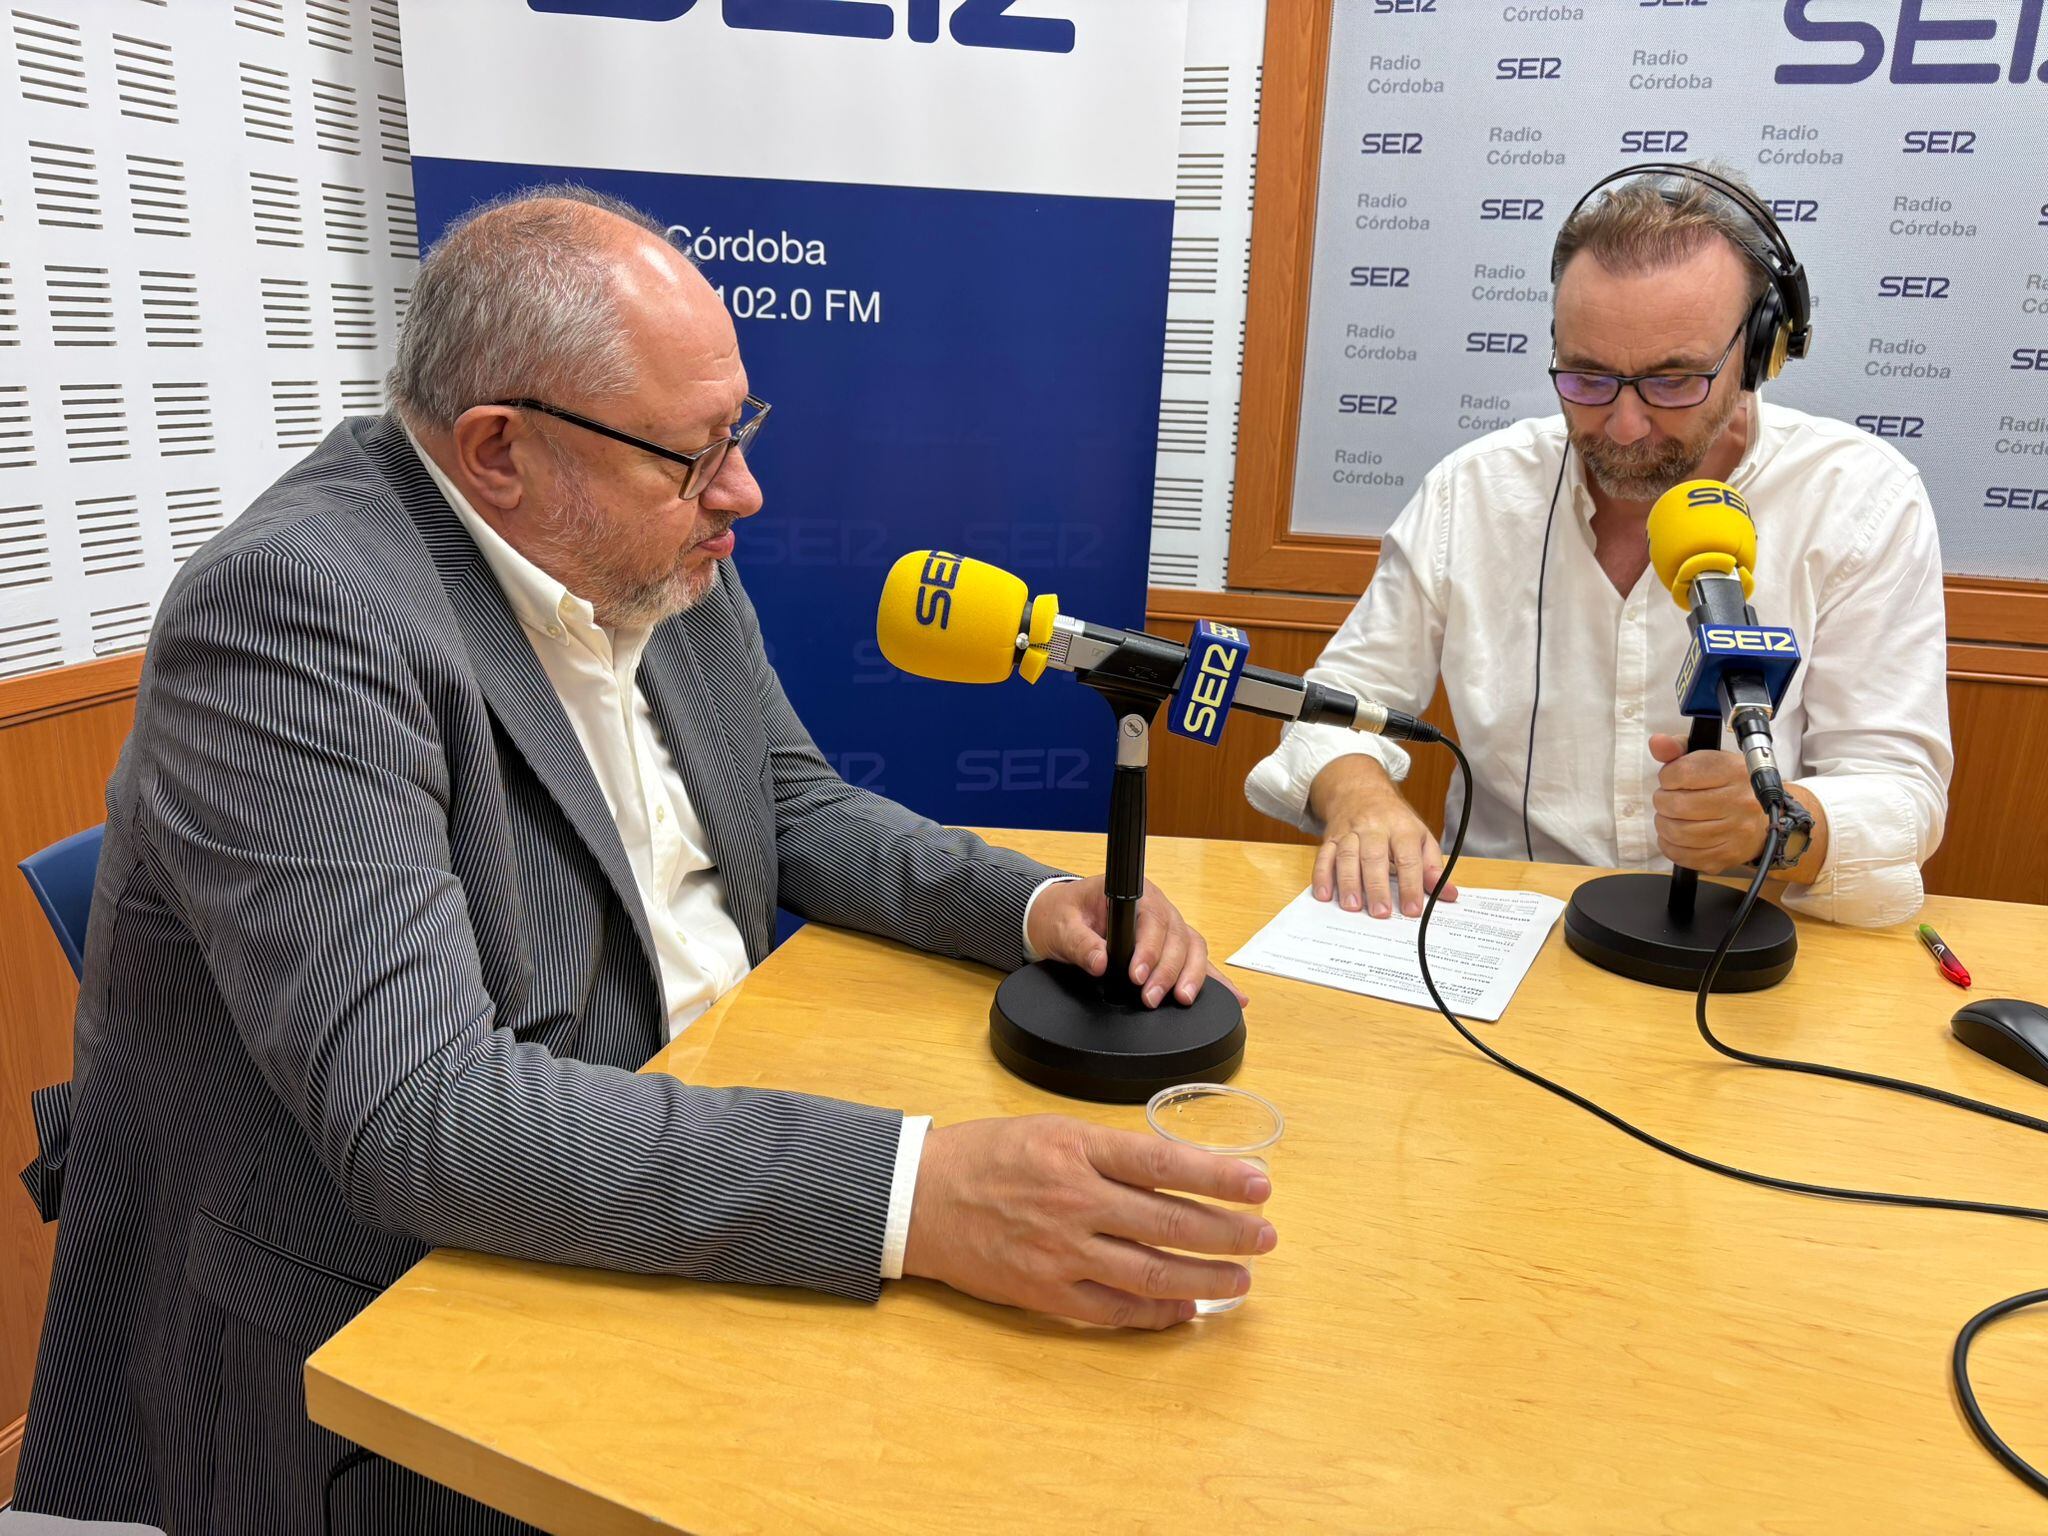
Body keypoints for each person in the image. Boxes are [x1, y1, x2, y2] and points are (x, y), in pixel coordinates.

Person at [16, 187, 1272, 1535]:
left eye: (739, 431)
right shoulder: (295, 614)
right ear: (498, 451)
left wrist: (1031, 906)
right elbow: (425, 1115)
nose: (742, 490)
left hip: (697, 1141)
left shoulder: (654, 539)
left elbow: (789, 804)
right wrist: (920, 1194)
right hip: (403, 1317)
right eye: (690, 454)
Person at [1248, 163, 1951, 929]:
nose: (1623, 425)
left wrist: (1777, 822)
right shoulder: (1472, 491)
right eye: (1587, 377)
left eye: (1672, 381)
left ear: (1758, 354)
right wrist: (1359, 795)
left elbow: (1900, 791)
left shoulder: (1860, 497)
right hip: (1504, 932)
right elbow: (1331, 709)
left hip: (1742, 938)